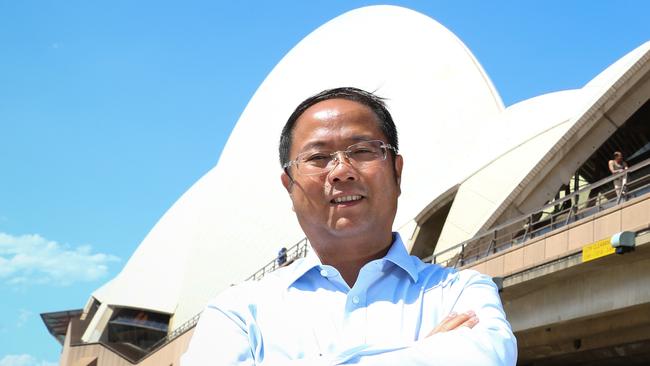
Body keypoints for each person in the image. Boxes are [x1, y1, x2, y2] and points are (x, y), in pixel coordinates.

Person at [182, 87, 517, 365]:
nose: (342, 170)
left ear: (396, 173)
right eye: (318, 158)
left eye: (362, 151)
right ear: (289, 186)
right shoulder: (238, 311)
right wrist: (423, 354)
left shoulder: (463, 293)